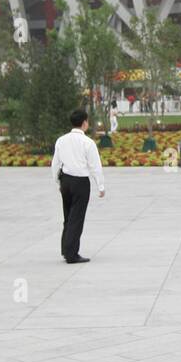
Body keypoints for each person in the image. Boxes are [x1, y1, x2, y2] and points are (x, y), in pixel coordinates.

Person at [50, 109, 104, 263]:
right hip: (80, 182)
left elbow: (55, 163)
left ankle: (66, 249)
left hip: (65, 181)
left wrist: (57, 181)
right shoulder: (88, 142)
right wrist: (100, 186)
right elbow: (95, 166)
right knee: (77, 218)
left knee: (68, 217)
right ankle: (72, 254)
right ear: (84, 123)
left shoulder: (61, 140)